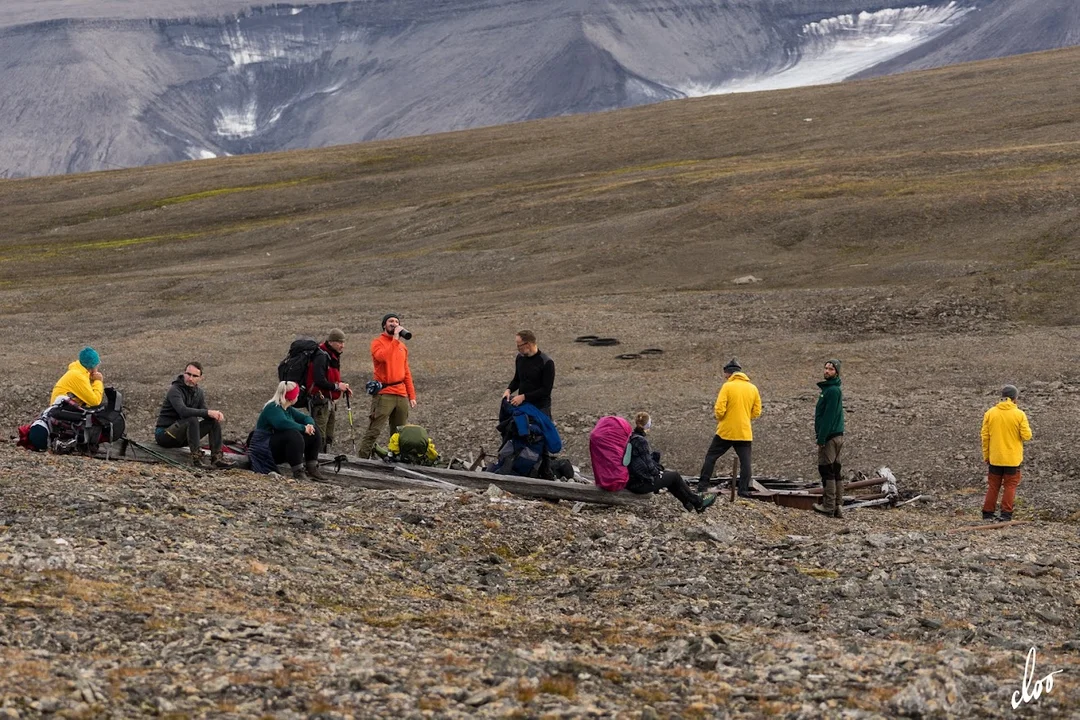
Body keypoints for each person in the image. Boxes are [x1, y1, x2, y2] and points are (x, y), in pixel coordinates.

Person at [697, 358, 762, 497]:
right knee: (746, 462)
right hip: (744, 431)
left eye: (725, 374)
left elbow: (719, 409)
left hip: (726, 431)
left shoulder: (727, 386)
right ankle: (743, 490)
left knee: (711, 457)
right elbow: (757, 411)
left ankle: (702, 486)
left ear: (729, 373)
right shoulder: (753, 388)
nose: (725, 377)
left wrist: (722, 418)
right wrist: (744, 417)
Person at [629, 412, 716, 512]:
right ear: (647, 425)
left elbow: (640, 463)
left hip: (634, 481)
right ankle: (698, 502)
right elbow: (649, 467)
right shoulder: (641, 441)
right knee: (674, 476)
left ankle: (689, 503)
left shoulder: (633, 437)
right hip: (640, 484)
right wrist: (658, 471)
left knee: (670, 476)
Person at [358, 313, 416, 458]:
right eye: (391, 321)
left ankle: (396, 459)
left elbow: (406, 372)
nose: (394, 323)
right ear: (384, 324)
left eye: (397, 321)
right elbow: (383, 357)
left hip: (401, 393)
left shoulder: (402, 347)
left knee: (400, 433)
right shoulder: (377, 342)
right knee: (374, 430)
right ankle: (362, 459)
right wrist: (395, 339)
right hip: (384, 393)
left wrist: (412, 395)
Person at [154, 362, 229, 468]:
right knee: (192, 419)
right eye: (188, 374)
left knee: (213, 422)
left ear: (200, 378)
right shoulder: (175, 390)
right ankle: (196, 459)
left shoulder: (199, 393)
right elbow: (183, 411)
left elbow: (204, 412)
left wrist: (215, 414)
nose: (190, 378)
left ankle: (216, 458)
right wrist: (208, 412)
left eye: (194, 376)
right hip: (165, 435)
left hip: (184, 437)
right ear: (184, 373)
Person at [248, 381, 324, 480]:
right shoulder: (272, 408)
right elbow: (282, 423)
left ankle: (312, 467)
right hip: (265, 448)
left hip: (277, 444)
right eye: (297, 394)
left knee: (314, 432)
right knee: (293, 435)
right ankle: (298, 472)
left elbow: (305, 418)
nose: (298, 396)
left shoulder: (287, 408)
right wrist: (303, 428)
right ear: (291, 397)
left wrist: (310, 425)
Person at [980, 385, 1033, 522]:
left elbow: (985, 437)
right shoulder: (1019, 414)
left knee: (993, 485)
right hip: (1013, 459)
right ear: (1015, 398)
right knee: (1010, 486)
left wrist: (987, 455)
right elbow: (1027, 436)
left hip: (995, 457)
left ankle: (987, 513)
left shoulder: (990, 413)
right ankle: (1005, 514)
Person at [812, 359, 846, 517]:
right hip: (838, 435)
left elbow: (828, 416)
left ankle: (829, 506)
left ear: (836, 372)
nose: (827, 371)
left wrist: (821, 438)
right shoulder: (833, 389)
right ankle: (838, 505)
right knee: (835, 470)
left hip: (830, 436)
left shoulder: (832, 391)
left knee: (827, 470)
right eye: (826, 368)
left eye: (830, 369)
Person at [309, 328, 351, 452]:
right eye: (339, 342)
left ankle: (324, 458)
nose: (342, 346)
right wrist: (338, 387)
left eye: (343, 342)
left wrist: (342, 385)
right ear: (331, 342)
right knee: (320, 434)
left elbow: (331, 377)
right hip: (321, 401)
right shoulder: (321, 355)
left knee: (329, 434)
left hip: (329, 401)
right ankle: (317, 460)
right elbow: (319, 380)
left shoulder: (333, 355)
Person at [502, 330, 555, 417]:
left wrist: (523, 397)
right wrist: (509, 390)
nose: (518, 349)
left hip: (541, 408)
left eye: (519, 346)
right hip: (523, 405)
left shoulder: (546, 362)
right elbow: (517, 379)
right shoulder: (520, 358)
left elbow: (546, 390)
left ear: (528, 345)